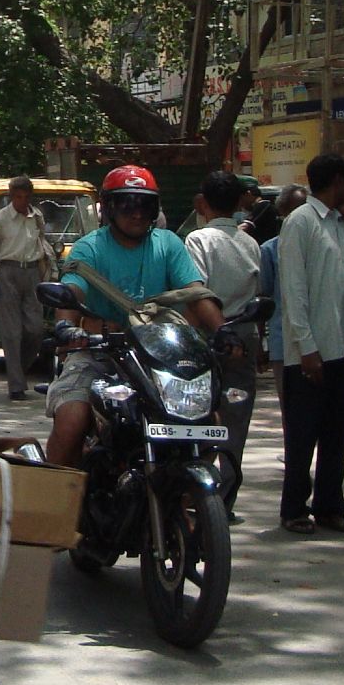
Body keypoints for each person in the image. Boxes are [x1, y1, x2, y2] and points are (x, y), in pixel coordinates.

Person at [45, 165, 224, 470]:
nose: (137, 213)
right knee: (72, 419)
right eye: (127, 204)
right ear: (110, 208)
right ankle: (57, 503)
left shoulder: (168, 244)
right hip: (99, 352)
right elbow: (72, 291)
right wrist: (65, 326)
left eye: (144, 204)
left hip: (157, 358)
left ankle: (181, 500)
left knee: (208, 422)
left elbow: (194, 292)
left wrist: (224, 331)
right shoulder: (90, 248)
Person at [277, 152, 344, 535]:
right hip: (310, 350)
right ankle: (294, 509)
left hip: (342, 346)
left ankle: (329, 506)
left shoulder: (339, 222)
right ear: (337, 180)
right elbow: (294, 290)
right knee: (303, 434)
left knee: (338, 430)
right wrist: (306, 347)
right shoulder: (300, 223)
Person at [185, 170, 262, 517]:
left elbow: (196, 292)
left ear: (203, 203)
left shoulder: (198, 240)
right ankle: (224, 500)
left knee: (198, 415)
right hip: (244, 336)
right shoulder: (250, 243)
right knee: (235, 420)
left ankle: (200, 494)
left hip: (209, 336)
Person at [0, 174, 58, 400]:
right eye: (17, 196)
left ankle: (17, 370)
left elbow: (42, 244)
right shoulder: (0, 220)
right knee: (12, 332)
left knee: (35, 329)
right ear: (11, 196)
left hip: (33, 272)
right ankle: (16, 385)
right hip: (8, 273)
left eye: (25, 197)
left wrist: (50, 273)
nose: (22, 201)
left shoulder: (36, 217)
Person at [255, 185, 309, 382]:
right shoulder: (270, 250)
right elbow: (263, 299)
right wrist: (259, 343)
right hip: (283, 342)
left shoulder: (319, 246)